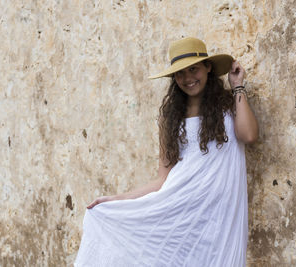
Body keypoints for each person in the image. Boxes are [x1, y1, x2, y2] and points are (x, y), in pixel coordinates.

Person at [74, 37, 258, 267]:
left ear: (208, 67)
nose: (188, 78)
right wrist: (115, 200)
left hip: (219, 216)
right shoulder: (171, 117)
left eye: (194, 69)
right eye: (180, 73)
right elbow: (164, 180)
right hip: (180, 212)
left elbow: (249, 135)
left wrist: (237, 85)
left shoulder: (228, 105)